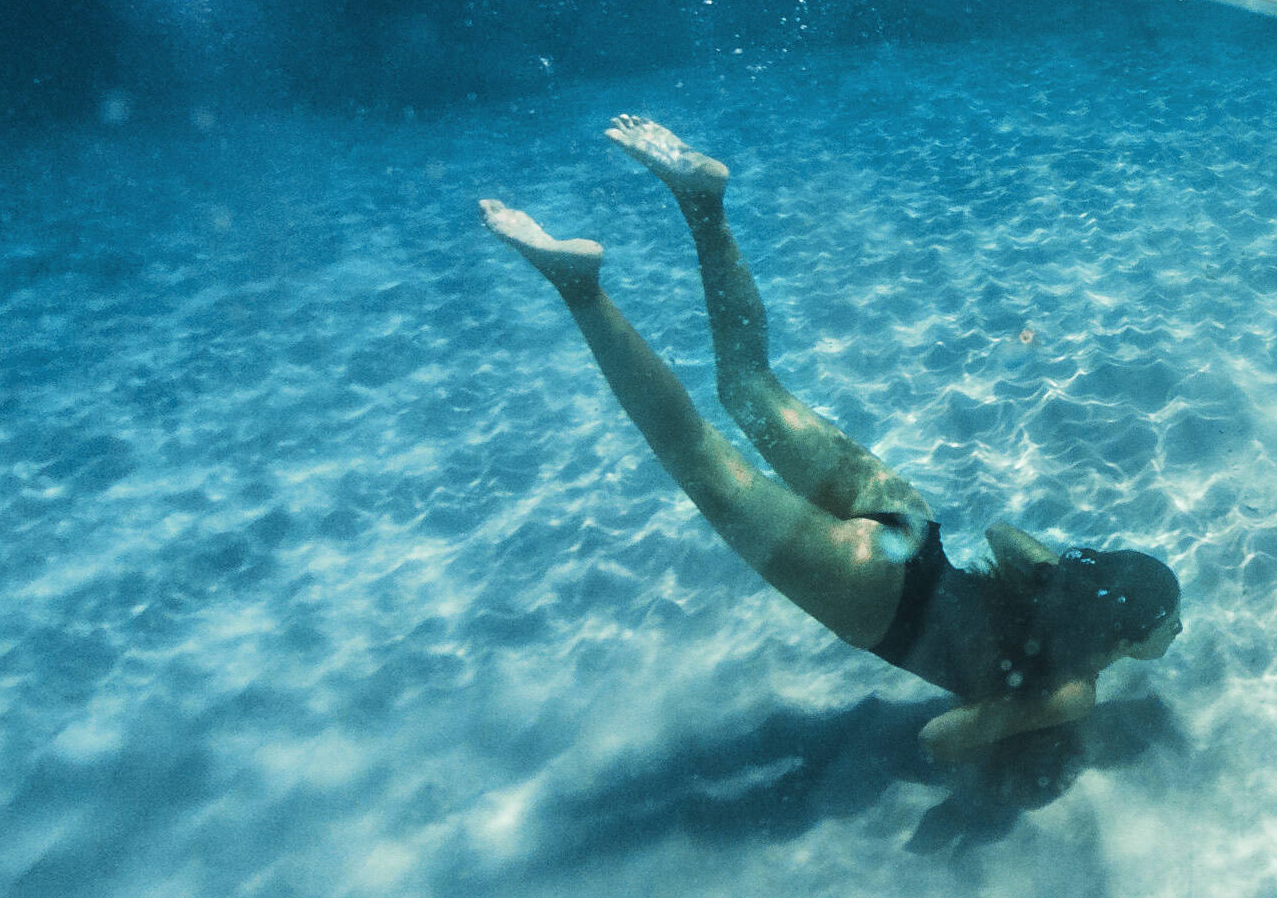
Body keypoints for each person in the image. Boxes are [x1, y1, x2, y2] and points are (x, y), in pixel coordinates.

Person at [481, 116, 1180, 763]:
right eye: (1168, 625)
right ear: (1131, 637)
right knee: (695, 452)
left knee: (749, 382)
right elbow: (940, 741)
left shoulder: (1053, 581)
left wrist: (1066, 581)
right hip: (876, 594)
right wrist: (1021, 721)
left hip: (910, 525)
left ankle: (703, 203)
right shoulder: (1078, 688)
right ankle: (580, 289)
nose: (1175, 634)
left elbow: (1000, 535)